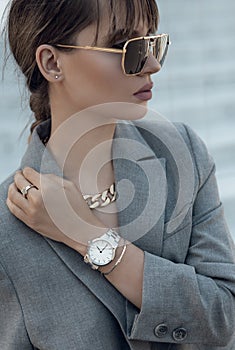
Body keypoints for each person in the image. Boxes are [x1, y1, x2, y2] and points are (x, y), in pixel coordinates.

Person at [1, 0, 235, 349]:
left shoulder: (181, 156)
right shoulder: (7, 229)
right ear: (52, 63)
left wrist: (88, 236)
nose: (152, 65)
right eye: (125, 46)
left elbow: (224, 316)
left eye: (151, 42)